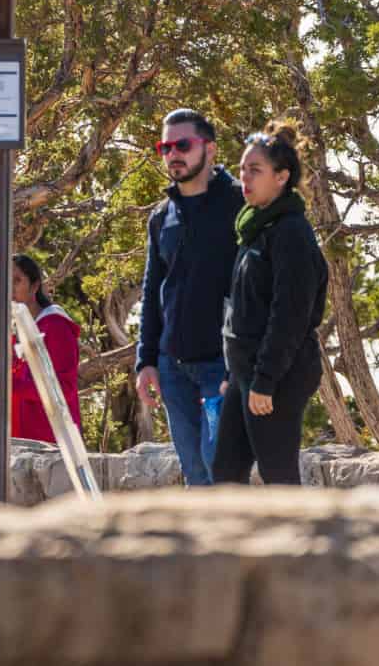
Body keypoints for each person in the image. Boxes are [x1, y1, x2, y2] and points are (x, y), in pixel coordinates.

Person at [213, 121, 330, 487]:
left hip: (278, 373)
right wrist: (234, 374)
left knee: (277, 474)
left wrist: (265, 380)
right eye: (243, 169)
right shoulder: (254, 229)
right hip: (246, 372)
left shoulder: (291, 233)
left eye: (255, 170)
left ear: (281, 177)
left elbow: (289, 317)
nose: (244, 178)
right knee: (226, 473)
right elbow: (243, 309)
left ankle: (306, 544)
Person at [135, 108, 243, 486]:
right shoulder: (161, 216)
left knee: (223, 470)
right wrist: (145, 360)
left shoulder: (240, 204)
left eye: (182, 144)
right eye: (165, 147)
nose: (172, 154)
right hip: (173, 367)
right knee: (196, 474)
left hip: (223, 366)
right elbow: (153, 291)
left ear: (209, 149)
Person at [10, 253, 80, 443]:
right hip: (16, 440)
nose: (10, 289)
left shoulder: (56, 326)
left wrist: (10, 387)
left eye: (17, 281)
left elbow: (64, 387)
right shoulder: (12, 332)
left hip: (51, 441)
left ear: (34, 286)